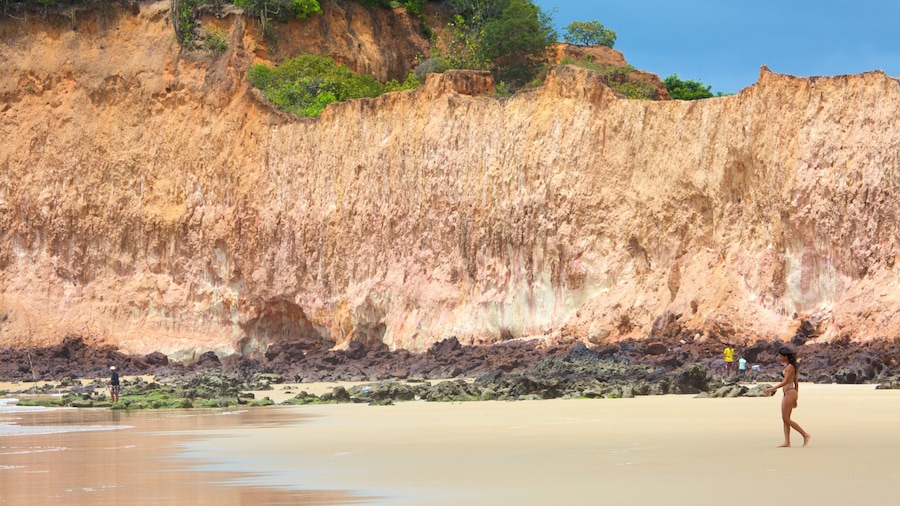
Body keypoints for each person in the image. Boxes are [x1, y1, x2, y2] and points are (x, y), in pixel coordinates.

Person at [763, 347, 811, 447]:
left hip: (789, 392)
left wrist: (771, 389)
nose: (779, 358)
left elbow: (785, 382)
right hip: (790, 393)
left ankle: (805, 435)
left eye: (781, 356)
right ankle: (787, 442)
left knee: (786, 418)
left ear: (785, 356)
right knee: (785, 418)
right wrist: (796, 397)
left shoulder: (790, 367)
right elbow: (796, 383)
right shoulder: (792, 366)